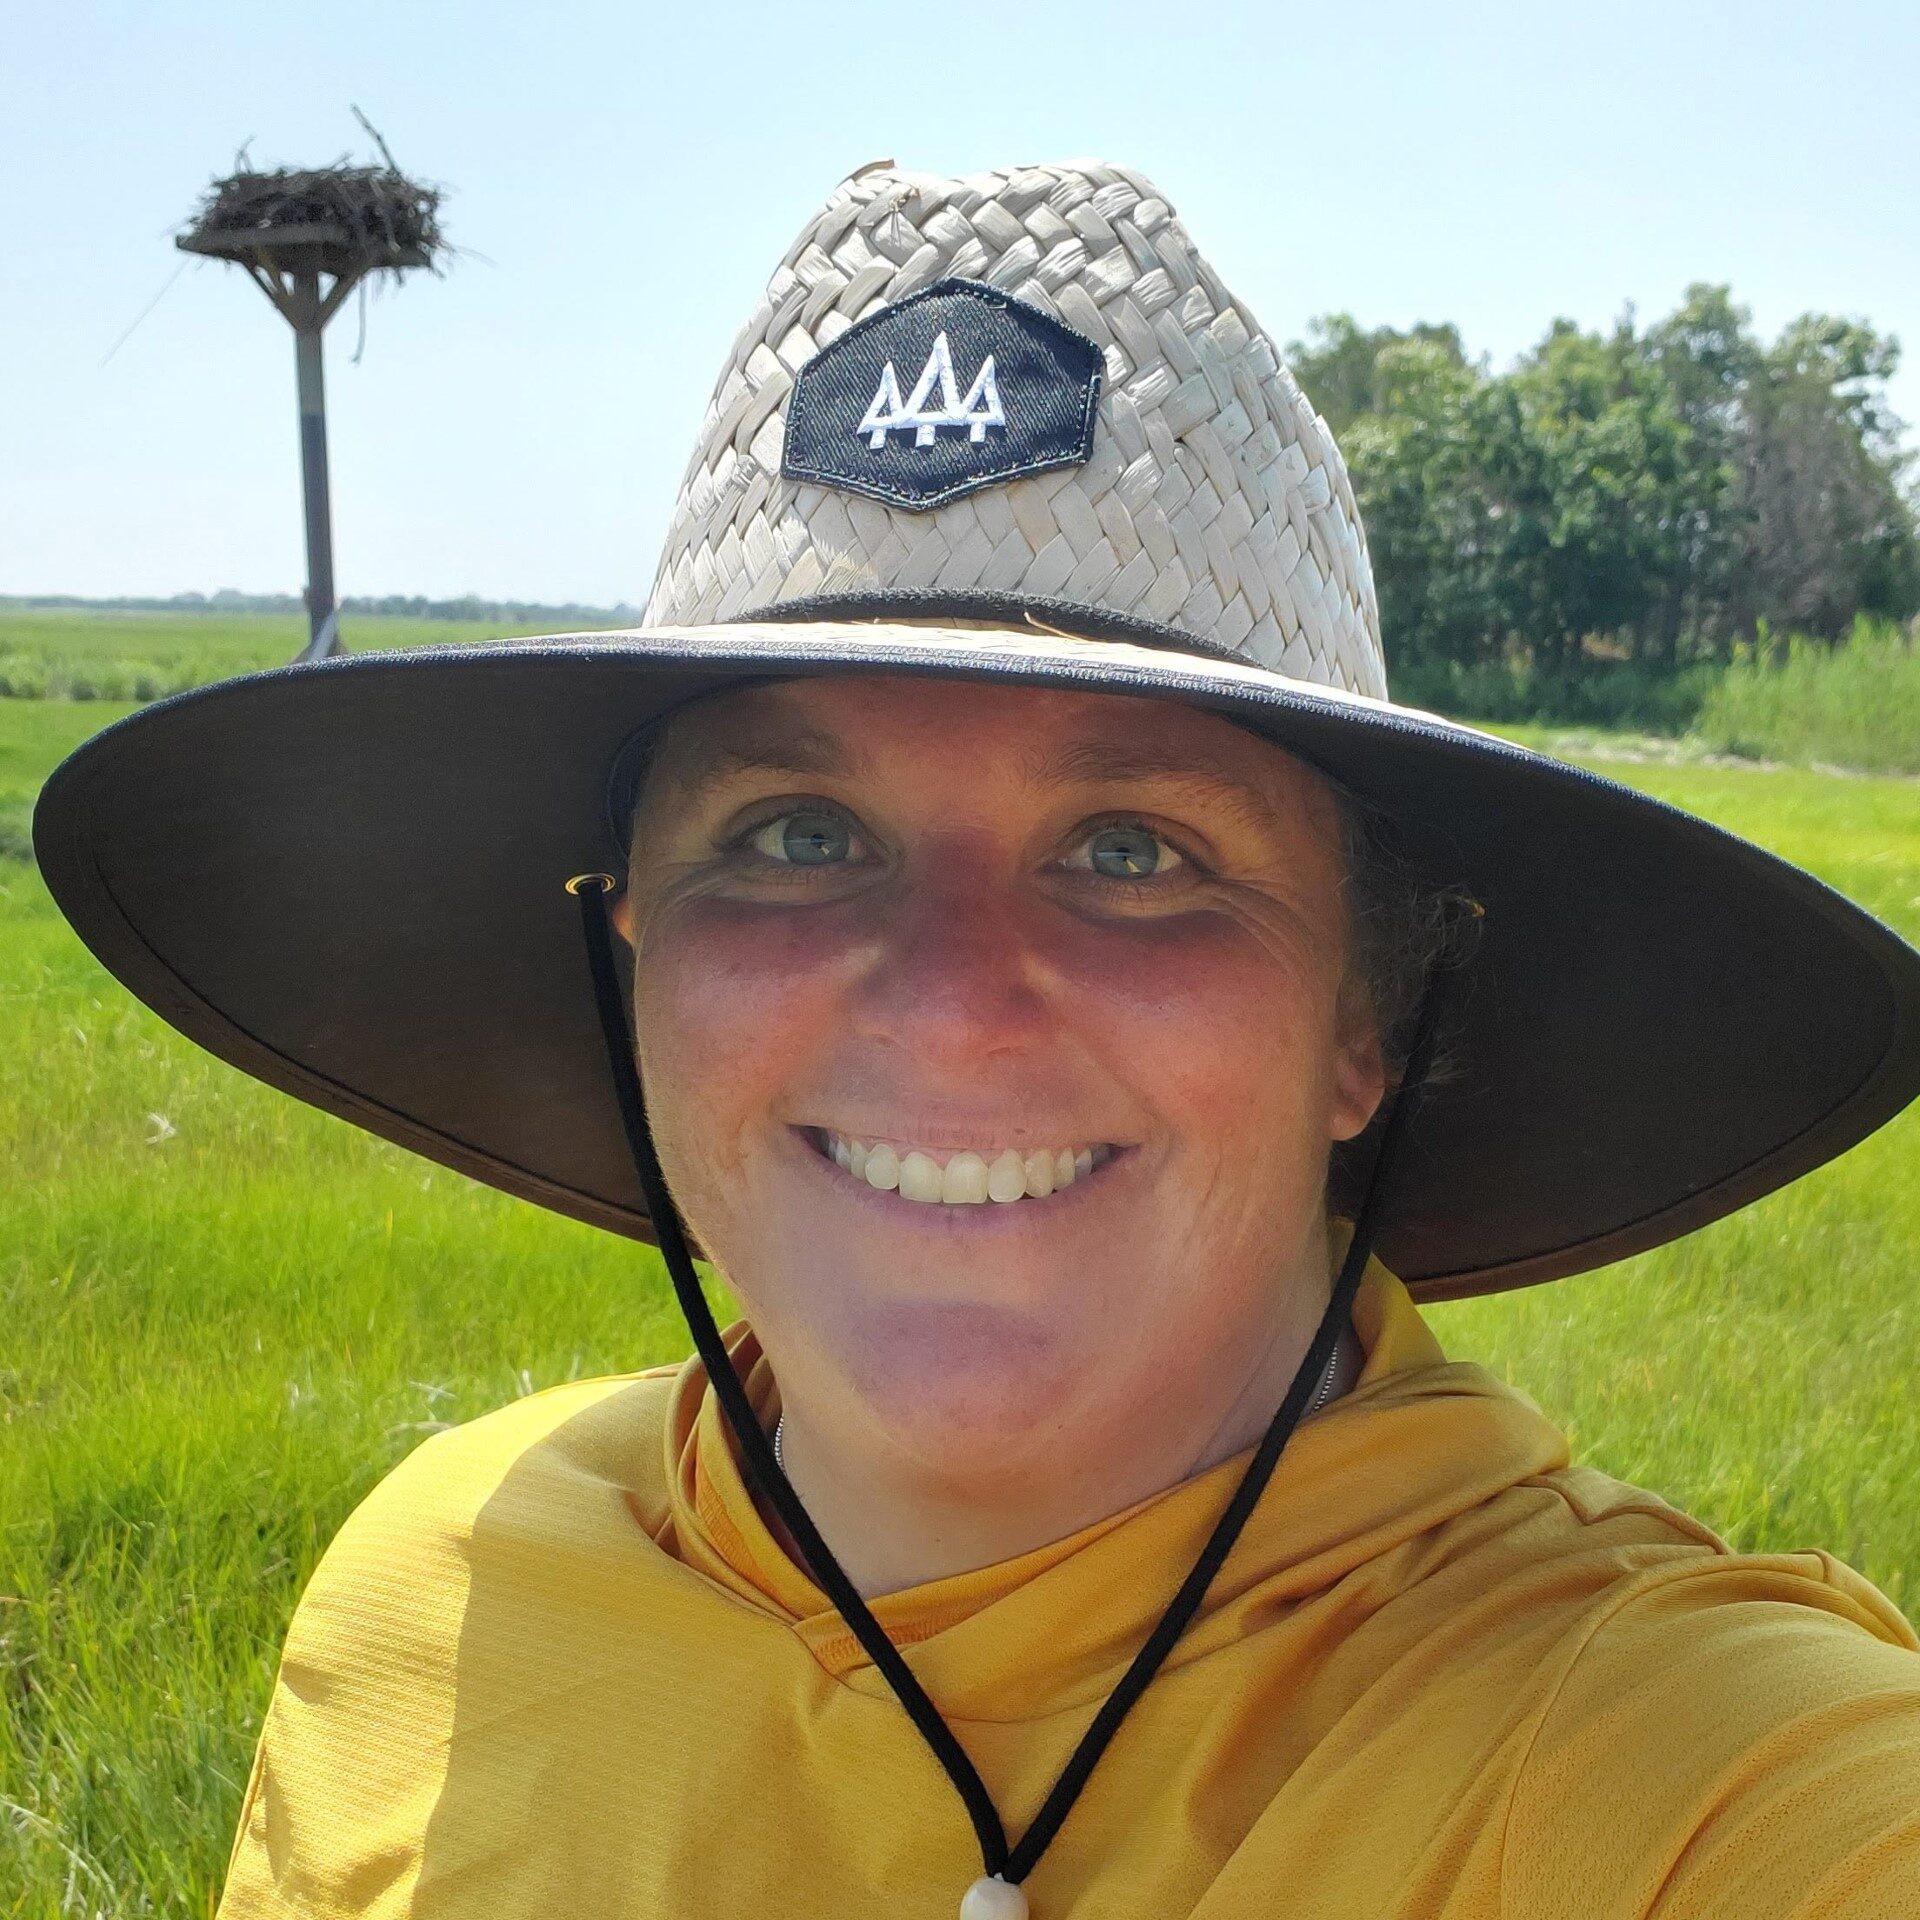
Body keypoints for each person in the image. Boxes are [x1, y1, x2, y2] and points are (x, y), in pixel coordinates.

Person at [33, 159, 1920, 1919]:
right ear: (627, 958)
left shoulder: (1686, 1771)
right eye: (792, 836)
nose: (943, 1002)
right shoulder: (431, 1595)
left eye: (1135, 852)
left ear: (1373, 1015)